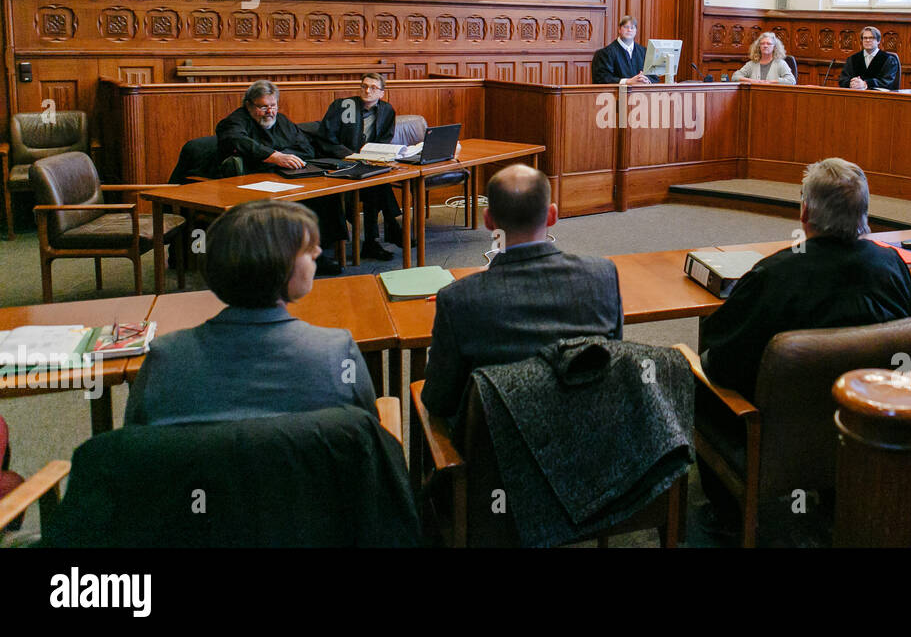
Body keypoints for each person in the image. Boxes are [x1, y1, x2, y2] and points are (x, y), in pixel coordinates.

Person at [124, 201, 377, 426]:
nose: (319, 252)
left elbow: (138, 441)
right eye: (307, 248)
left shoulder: (164, 357)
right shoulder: (337, 352)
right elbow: (366, 432)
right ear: (279, 266)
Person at [698, 157, 911, 401]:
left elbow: (723, 364)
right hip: (869, 419)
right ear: (863, 213)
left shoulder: (772, 276)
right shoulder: (893, 265)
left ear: (806, 211)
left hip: (778, 427)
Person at [422, 164, 623, 427]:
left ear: (488, 220)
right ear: (552, 215)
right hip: (588, 432)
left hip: (497, 449)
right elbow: (612, 361)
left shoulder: (458, 299)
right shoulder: (603, 275)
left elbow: (439, 401)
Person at [215, 80, 346, 274]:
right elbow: (235, 140)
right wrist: (274, 156)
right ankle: (292, 257)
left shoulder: (282, 121)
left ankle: (318, 252)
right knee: (299, 201)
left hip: (288, 176)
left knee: (325, 193)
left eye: (273, 105)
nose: (270, 112)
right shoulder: (236, 121)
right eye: (263, 107)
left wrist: (285, 156)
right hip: (255, 180)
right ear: (249, 105)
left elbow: (306, 149)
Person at [319, 73, 400, 261]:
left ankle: (374, 240)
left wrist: (376, 156)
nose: (367, 90)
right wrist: (348, 154)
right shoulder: (344, 106)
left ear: (382, 93)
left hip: (368, 163)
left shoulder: (387, 110)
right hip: (341, 162)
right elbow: (326, 137)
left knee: (377, 183)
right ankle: (390, 228)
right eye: (364, 86)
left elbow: (385, 139)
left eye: (373, 87)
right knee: (377, 185)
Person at [591, 15, 661, 85]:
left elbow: (654, 77)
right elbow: (601, 79)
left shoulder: (644, 52)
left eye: (632, 28)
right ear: (619, 29)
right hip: (616, 95)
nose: (629, 30)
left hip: (642, 94)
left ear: (636, 31)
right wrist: (627, 81)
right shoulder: (604, 54)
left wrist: (646, 80)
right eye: (626, 27)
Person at [839, 26, 900, 91]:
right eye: (865, 38)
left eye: (871, 38)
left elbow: (887, 81)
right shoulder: (852, 59)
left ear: (878, 41)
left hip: (879, 97)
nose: (867, 40)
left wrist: (865, 83)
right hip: (855, 96)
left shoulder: (889, 59)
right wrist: (852, 83)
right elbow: (843, 79)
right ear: (861, 40)